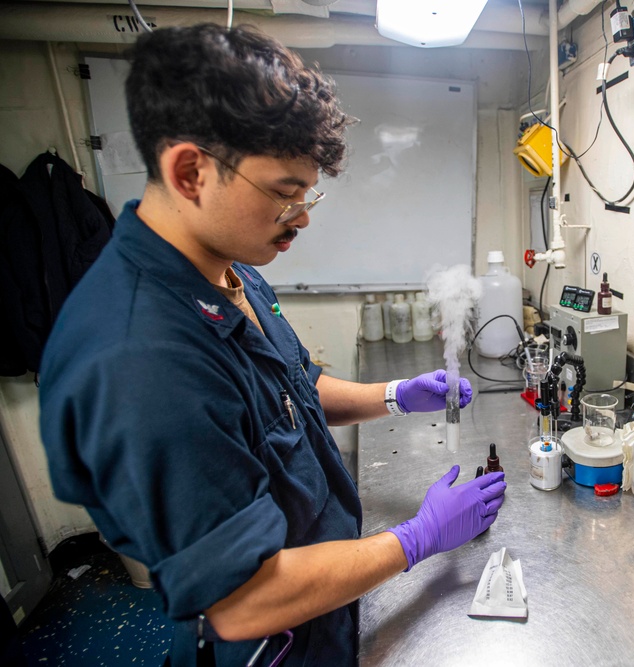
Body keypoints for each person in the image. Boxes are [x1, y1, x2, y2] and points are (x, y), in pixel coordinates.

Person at [38, 24, 506, 666]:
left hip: (327, 595)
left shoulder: (231, 268)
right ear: (189, 171)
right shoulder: (143, 360)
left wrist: (395, 396)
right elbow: (243, 601)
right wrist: (416, 538)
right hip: (276, 640)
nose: (304, 216)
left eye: (307, 193)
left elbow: (292, 388)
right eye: (285, 193)